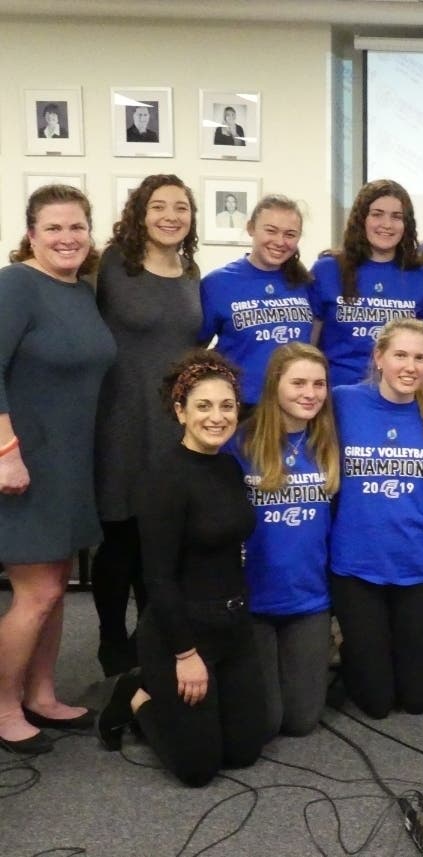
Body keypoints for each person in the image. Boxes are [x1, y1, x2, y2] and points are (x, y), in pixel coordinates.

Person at [97, 351, 265, 786]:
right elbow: (158, 578)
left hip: (233, 625)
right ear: (180, 411)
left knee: (245, 752)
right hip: (182, 634)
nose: (217, 417)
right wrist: (186, 656)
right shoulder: (162, 479)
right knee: (198, 769)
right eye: (203, 406)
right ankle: (134, 696)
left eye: (226, 406)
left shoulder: (228, 465)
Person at [0, 185, 115, 755]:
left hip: (73, 463)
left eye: (77, 227)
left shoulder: (82, 292)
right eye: (53, 228)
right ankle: (3, 706)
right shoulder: (16, 284)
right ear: (31, 234)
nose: (67, 238)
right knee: (38, 592)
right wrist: (5, 450)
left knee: (57, 583)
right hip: (25, 463)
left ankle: (41, 695)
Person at [92, 174, 203, 677]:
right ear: (139, 212)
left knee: (160, 536)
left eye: (180, 207)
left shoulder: (190, 270)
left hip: (170, 423)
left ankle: (150, 638)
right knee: (120, 537)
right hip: (120, 418)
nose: (170, 216)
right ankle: (112, 640)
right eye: (159, 206)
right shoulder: (111, 264)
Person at [328, 318, 423, 718]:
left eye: (420, 358)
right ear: (379, 358)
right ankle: (347, 643)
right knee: (377, 704)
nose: (410, 366)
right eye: (400, 355)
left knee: (416, 700)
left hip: (415, 562)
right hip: (357, 563)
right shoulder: (343, 402)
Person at [228, 343, 338, 736]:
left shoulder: (327, 442)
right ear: (275, 385)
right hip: (253, 599)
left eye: (319, 384)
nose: (310, 393)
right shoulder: (239, 443)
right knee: (267, 723)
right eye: (298, 383)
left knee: (301, 722)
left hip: (309, 599)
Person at [310, 180, 423, 387]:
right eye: (377, 214)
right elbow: (309, 345)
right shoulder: (328, 270)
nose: (387, 224)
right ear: (361, 219)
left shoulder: (422, 277)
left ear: (407, 225)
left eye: (396, 217)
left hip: (398, 394)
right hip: (335, 395)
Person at [199, 194, 316, 409]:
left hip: (295, 406)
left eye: (290, 234)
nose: (280, 242)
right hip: (242, 407)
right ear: (251, 228)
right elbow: (196, 349)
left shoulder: (305, 283)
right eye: (270, 231)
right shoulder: (217, 284)